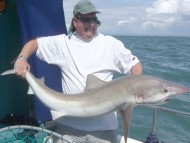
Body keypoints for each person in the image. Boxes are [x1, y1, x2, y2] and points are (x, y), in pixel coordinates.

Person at [14, 0, 142, 142]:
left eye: (94, 19)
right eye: (87, 20)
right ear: (75, 22)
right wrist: (21, 58)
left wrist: (134, 91)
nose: (92, 24)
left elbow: (135, 65)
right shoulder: (63, 43)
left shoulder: (110, 44)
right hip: (68, 127)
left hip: (104, 130)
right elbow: (34, 43)